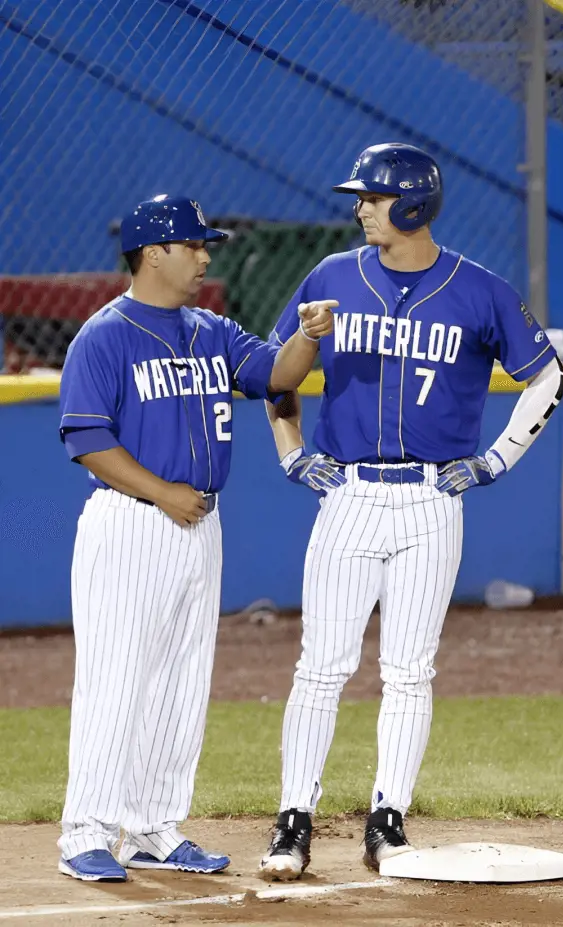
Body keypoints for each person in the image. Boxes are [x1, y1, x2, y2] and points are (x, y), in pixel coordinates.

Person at [259, 143, 563, 880]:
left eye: (372, 196)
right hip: (350, 496)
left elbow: (546, 377)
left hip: (433, 500)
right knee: (320, 667)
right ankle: (293, 819)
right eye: (361, 198)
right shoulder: (332, 277)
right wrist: (290, 448)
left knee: (409, 670)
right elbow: (274, 374)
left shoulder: (479, 290)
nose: (360, 207)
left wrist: (495, 459)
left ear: (413, 204)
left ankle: (386, 817)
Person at [57, 194, 336, 882]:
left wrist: (309, 335)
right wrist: (160, 491)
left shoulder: (209, 328)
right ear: (155, 253)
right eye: (195, 244)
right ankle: (85, 830)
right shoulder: (104, 334)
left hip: (198, 525)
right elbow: (88, 440)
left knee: (181, 683)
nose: (207, 254)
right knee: (116, 679)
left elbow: (277, 375)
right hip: (130, 523)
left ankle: (153, 826)